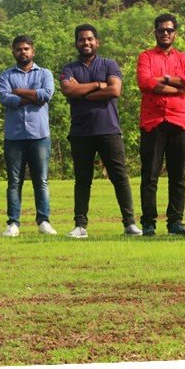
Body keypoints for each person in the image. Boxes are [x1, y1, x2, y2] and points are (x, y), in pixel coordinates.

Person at [60, 24, 141, 238]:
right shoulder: (69, 68)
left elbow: (114, 90)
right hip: (80, 132)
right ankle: (80, 225)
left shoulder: (109, 64)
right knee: (82, 180)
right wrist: (98, 85)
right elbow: (68, 89)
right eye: (81, 39)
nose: (86, 42)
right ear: (76, 43)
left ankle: (130, 223)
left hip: (108, 129)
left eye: (90, 39)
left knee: (119, 177)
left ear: (97, 42)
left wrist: (82, 93)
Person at [136, 14, 185, 236]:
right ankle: (148, 223)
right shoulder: (146, 56)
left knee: (178, 176)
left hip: (179, 121)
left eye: (169, 30)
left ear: (175, 33)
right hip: (153, 122)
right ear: (155, 32)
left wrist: (164, 79)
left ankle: (175, 222)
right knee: (150, 176)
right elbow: (145, 82)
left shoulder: (183, 57)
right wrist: (177, 86)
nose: (165, 33)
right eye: (161, 30)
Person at [0, 35, 57, 237]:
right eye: (19, 49)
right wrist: (33, 95)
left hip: (39, 135)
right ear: (13, 52)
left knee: (41, 181)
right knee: (14, 182)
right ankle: (13, 223)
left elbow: (46, 95)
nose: (22, 52)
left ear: (33, 51)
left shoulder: (45, 73)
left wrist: (19, 92)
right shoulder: (6, 75)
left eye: (26, 49)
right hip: (14, 137)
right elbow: (5, 98)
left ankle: (44, 221)